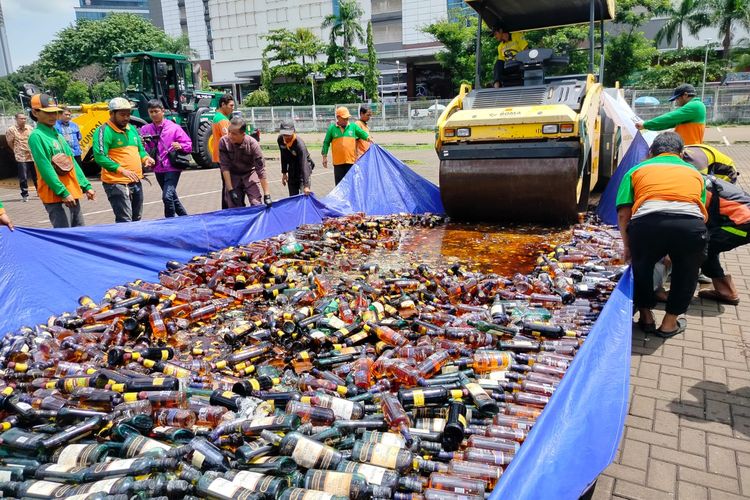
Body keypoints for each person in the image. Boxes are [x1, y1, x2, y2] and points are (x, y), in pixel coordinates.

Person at [616, 131, 707, 338]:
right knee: (687, 273)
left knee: (642, 269)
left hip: (647, 225)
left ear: (651, 152)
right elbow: (701, 212)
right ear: (681, 153)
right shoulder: (695, 173)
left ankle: (646, 316)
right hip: (690, 226)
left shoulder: (635, 170)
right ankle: (669, 324)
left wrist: (628, 246)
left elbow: (623, 214)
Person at [27, 94, 96, 228]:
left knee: (80, 234)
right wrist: (62, 192)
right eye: (48, 113)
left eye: (55, 112)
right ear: (35, 112)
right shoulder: (37, 136)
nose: (53, 116)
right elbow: (45, 168)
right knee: (65, 237)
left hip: (72, 193)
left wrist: (86, 185)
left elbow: (72, 163)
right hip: (57, 197)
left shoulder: (56, 134)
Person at [93, 97, 154, 223]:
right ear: (111, 113)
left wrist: (146, 158)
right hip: (117, 183)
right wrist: (122, 170)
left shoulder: (131, 129)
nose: (126, 118)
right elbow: (100, 156)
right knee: (124, 220)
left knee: (137, 218)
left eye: (128, 114)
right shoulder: (104, 131)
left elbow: (140, 149)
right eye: (122, 115)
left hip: (135, 180)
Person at [140, 99, 192, 218]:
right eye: (151, 112)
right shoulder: (145, 129)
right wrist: (143, 146)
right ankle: (187, 219)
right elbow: (142, 148)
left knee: (167, 197)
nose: (153, 114)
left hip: (172, 167)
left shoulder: (174, 128)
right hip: (158, 168)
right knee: (172, 197)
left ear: (163, 111)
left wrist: (180, 146)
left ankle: (169, 224)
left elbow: (189, 145)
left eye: (156, 111)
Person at [219, 116, 271, 208]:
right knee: (234, 205)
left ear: (243, 134)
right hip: (233, 175)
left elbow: (261, 170)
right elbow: (224, 167)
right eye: (229, 132)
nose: (230, 135)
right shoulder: (223, 142)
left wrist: (267, 194)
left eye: (234, 134)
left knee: (256, 204)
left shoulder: (253, 144)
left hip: (249, 174)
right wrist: (230, 190)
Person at [636, 84, 706, 145]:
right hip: (687, 147)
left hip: (690, 148)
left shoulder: (695, 105)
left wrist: (645, 124)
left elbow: (669, 118)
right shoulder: (695, 106)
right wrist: (647, 126)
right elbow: (667, 123)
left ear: (685, 95)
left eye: (677, 98)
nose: (676, 101)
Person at [321, 107, 369, 185]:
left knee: (352, 184)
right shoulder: (332, 128)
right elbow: (326, 143)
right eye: (344, 118)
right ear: (338, 117)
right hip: (338, 163)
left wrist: (369, 138)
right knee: (339, 185)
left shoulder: (353, 127)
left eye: (347, 118)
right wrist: (324, 157)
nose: (346, 120)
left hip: (351, 161)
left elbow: (362, 133)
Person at [6, 112, 37, 201]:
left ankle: (40, 192)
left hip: (31, 155)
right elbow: (10, 143)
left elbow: (34, 140)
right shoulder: (11, 130)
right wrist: (16, 151)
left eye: (24, 118)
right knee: (23, 176)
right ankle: (25, 195)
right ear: (16, 119)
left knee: (36, 175)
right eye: (21, 119)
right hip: (21, 156)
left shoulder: (30, 128)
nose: (23, 120)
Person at [277, 121, 313, 196]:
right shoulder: (280, 140)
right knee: (293, 197)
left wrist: (306, 185)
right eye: (284, 134)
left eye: (288, 134)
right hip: (292, 169)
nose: (286, 137)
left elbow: (304, 164)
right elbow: (283, 156)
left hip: (303, 169)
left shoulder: (299, 145)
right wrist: (284, 173)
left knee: (304, 196)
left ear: (293, 132)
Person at [212, 94, 234, 209]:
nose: (233, 107)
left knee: (226, 183)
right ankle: (228, 209)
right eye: (231, 105)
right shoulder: (222, 120)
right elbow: (228, 139)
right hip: (224, 157)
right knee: (229, 184)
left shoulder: (217, 117)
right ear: (223, 105)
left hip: (219, 156)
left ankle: (226, 208)